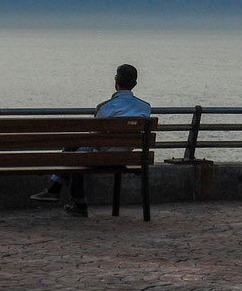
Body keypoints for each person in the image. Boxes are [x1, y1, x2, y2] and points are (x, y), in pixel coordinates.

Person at [30, 64, 151, 217]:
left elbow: (95, 138)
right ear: (134, 84)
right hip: (127, 156)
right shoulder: (145, 108)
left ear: (116, 81)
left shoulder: (105, 107)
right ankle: (57, 191)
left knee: (75, 153)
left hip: (103, 157)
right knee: (74, 148)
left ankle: (71, 199)